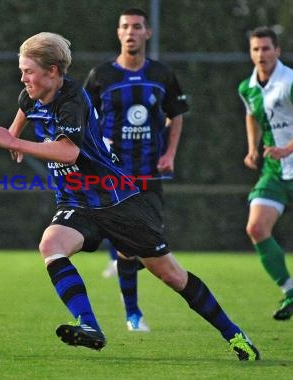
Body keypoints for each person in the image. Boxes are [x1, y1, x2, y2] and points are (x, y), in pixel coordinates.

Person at [0, 31, 259, 360]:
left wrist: (14, 143)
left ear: (54, 71)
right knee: (51, 244)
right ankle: (89, 325)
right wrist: (12, 135)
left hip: (118, 201)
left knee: (171, 275)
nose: (22, 77)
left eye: (28, 70)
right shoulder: (29, 95)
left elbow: (68, 153)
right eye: (21, 70)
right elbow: (20, 121)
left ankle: (235, 335)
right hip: (77, 202)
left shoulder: (74, 100)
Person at [84, 8, 188, 332]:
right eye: (125, 27)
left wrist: (170, 153)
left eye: (137, 27)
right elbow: (84, 118)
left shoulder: (162, 75)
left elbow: (177, 114)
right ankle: (133, 314)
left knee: (147, 243)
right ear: (118, 33)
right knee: (128, 245)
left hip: (150, 176)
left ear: (148, 33)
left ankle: (131, 284)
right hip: (115, 176)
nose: (131, 32)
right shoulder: (101, 75)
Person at [238, 26, 293, 320]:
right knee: (256, 228)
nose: (261, 54)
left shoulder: (292, 83)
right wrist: (253, 147)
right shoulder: (247, 87)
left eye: (266, 48)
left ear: (277, 51)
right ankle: (291, 294)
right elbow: (252, 114)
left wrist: (288, 148)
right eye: (255, 49)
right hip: (275, 172)